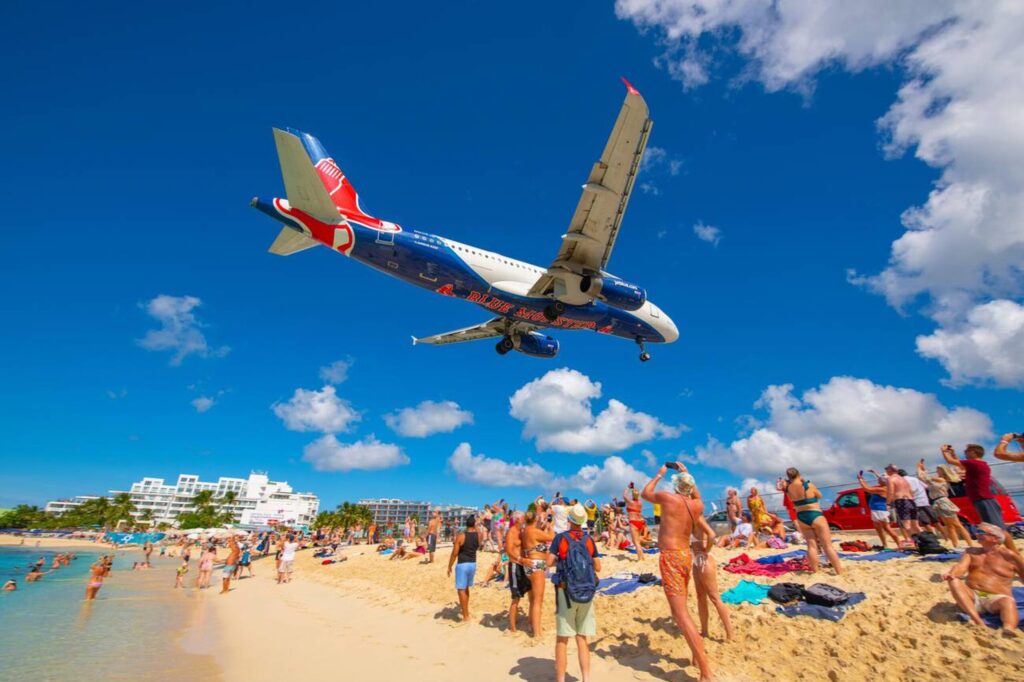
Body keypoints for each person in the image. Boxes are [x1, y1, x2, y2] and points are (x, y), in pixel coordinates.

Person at [642, 463, 713, 682]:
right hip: (684, 555)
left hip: (671, 557)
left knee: (680, 614)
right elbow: (697, 496)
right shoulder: (697, 506)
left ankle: (706, 672)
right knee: (680, 609)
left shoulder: (669, 499)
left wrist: (660, 474)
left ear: (676, 486)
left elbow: (646, 493)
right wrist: (687, 475)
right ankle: (695, 654)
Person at [547, 504, 601, 682]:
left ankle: (561, 679)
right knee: (582, 638)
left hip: (566, 591)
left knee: (562, 639)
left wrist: (562, 562)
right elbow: (598, 567)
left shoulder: (560, 538)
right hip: (587, 590)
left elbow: (548, 562)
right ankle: (586, 678)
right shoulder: (588, 540)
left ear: (569, 520)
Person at [943, 523, 1024, 631]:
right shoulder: (971, 552)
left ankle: (1008, 629)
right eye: (977, 532)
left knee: (1008, 602)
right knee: (954, 581)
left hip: (996, 598)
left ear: (995, 538)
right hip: (973, 596)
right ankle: (977, 620)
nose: (977, 534)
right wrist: (952, 574)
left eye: (981, 532)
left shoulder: (1011, 556)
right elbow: (961, 567)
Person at [942, 443, 1019, 554]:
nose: (965, 453)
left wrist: (944, 452)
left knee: (998, 528)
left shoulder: (974, 463)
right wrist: (953, 454)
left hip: (984, 499)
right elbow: (960, 465)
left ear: (973, 452)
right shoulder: (977, 464)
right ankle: (1005, 551)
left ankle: (1013, 552)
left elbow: (951, 462)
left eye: (966, 451)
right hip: (982, 499)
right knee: (992, 528)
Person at [686, 481, 732, 641]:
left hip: (704, 560)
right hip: (697, 561)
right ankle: (705, 631)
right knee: (700, 596)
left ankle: (730, 634)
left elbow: (712, 535)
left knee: (714, 597)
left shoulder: (698, 519)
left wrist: (707, 550)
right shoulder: (690, 520)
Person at [785, 468, 843, 575]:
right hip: (814, 514)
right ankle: (839, 571)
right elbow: (819, 495)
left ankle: (815, 571)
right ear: (799, 473)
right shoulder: (808, 485)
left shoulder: (788, 489)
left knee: (811, 546)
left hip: (801, 516)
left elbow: (791, 500)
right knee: (827, 545)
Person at [916, 459, 975, 548]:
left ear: (943, 471)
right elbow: (925, 479)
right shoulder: (938, 479)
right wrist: (922, 470)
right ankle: (956, 545)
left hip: (943, 502)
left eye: (938, 469)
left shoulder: (941, 479)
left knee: (957, 525)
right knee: (950, 526)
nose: (936, 471)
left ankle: (970, 544)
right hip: (939, 502)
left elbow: (925, 478)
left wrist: (919, 468)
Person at [522, 507, 555, 638]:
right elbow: (551, 537)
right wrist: (550, 526)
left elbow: (538, 542)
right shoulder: (535, 531)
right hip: (537, 563)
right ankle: (537, 633)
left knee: (532, 599)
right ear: (535, 519)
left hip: (529, 563)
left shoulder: (525, 531)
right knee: (538, 601)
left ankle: (531, 624)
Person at [447, 515, 480, 624]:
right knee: (466, 588)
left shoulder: (461, 536)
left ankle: (466, 616)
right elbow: (477, 546)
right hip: (473, 564)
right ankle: (466, 611)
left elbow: (454, 553)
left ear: (466, 524)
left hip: (463, 564)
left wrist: (449, 565)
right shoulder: (478, 536)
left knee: (461, 590)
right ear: (474, 524)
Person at [857, 471, 901, 549]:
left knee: (887, 528)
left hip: (880, 510)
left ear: (883, 481)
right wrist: (864, 480)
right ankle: (885, 545)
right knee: (878, 529)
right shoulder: (884, 487)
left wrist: (860, 479)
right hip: (876, 510)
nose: (878, 480)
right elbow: (870, 487)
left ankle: (899, 545)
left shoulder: (883, 489)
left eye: (880, 479)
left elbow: (867, 489)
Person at [505, 511, 528, 633]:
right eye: (523, 518)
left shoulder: (521, 531)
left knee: (529, 591)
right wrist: (519, 559)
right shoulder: (511, 532)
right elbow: (508, 550)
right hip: (515, 565)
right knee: (516, 597)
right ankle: (512, 628)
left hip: (523, 565)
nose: (524, 519)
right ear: (518, 519)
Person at [884, 464, 919, 544]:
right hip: (911, 501)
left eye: (886, 469)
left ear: (890, 470)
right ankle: (926, 542)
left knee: (906, 525)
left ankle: (916, 543)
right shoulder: (904, 479)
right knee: (916, 525)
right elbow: (911, 491)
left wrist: (888, 504)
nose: (885, 470)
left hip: (901, 501)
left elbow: (890, 492)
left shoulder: (891, 479)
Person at [904, 468, 939, 532]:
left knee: (925, 522)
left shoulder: (903, 481)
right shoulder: (915, 479)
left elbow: (910, 491)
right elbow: (926, 486)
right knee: (935, 520)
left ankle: (933, 535)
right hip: (925, 502)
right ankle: (945, 536)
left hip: (916, 503)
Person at [623, 483, 647, 562]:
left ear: (632, 495)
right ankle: (642, 557)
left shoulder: (630, 502)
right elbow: (637, 494)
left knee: (635, 541)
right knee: (637, 541)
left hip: (633, 521)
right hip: (641, 521)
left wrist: (628, 487)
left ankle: (640, 558)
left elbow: (624, 495)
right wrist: (634, 489)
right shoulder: (640, 502)